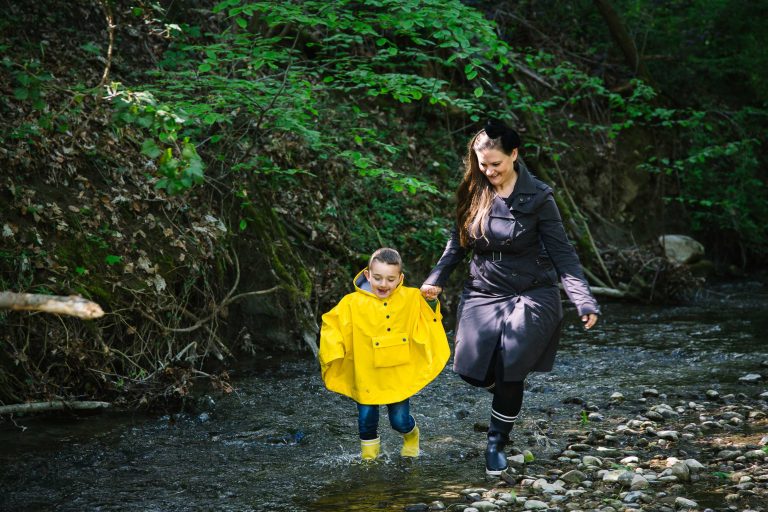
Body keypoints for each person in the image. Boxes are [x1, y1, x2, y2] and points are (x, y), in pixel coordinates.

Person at [420, 119, 600, 476]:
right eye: (482, 164)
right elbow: (457, 243)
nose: (488, 171)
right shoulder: (475, 190)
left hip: (531, 292)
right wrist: (436, 276)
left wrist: (583, 299)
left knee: (511, 364)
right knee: (468, 368)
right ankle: (508, 395)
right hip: (484, 289)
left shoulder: (539, 197)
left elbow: (563, 253)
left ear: (514, 155)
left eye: (495, 165)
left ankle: (496, 442)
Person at [319, 247, 450, 460]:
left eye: (390, 279)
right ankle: (369, 460)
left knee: (399, 420)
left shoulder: (411, 297)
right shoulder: (351, 303)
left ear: (400, 278)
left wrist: (431, 300)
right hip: (367, 371)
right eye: (378, 278)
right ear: (368, 275)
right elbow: (331, 324)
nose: (383, 284)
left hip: (398, 371)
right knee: (366, 420)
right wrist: (334, 349)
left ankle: (411, 435)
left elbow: (428, 315)